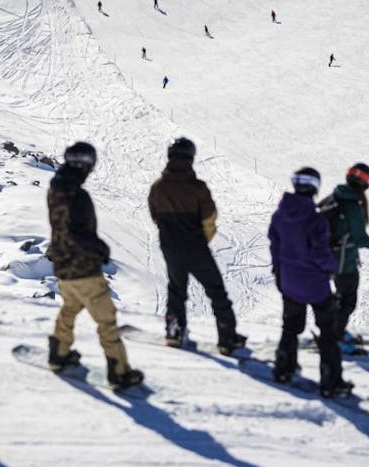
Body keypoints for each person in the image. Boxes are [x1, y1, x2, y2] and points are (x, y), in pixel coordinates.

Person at [46, 142, 144, 389]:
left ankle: (58, 354)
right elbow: (78, 233)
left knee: (70, 308)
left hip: (63, 267)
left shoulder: (55, 190)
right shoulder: (78, 197)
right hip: (83, 269)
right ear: (84, 165)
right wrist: (101, 248)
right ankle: (119, 372)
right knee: (106, 320)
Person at [148, 138, 247, 354]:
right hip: (196, 247)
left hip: (171, 248)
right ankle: (226, 338)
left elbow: (155, 216)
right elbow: (210, 218)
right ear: (191, 158)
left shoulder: (158, 187)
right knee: (216, 291)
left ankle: (174, 331)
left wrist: (170, 236)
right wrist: (202, 239)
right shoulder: (197, 188)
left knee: (176, 290)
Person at [269, 168, 344, 397]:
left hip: (290, 282)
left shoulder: (279, 215)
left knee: (290, 326)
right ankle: (331, 382)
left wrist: (280, 272)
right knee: (328, 331)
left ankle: (284, 368)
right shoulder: (316, 220)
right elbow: (321, 254)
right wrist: (332, 268)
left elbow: (275, 246)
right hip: (315, 285)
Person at [317, 163, 369, 392]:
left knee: (340, 297)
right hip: (344, 262)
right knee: (348, 301)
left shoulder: (335, 195)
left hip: (329, 258)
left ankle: (336, 331)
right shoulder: (352, 203)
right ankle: (335, 337)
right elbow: (359, 238)